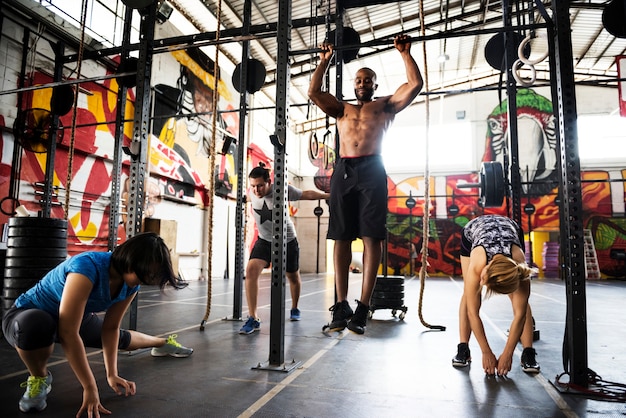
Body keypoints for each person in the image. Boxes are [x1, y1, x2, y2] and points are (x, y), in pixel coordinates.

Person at [2, 232, 193, 416]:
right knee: (36, 325)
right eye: (144, 274)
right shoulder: (86, 267)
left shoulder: (131, 284)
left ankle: (161, 343)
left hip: (75, 318)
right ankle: (40, 377)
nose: (145, 281)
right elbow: (69, 333)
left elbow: (111, 329)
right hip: (27, 316)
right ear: (130, 261)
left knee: (121, 338)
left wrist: (112, 374)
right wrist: (90, 387)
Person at [308, 34, 423, 334]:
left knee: (372, 237)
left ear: (374, 84)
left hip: (373, 167)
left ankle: (363, 306)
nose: (362, 83)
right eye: (359, 80)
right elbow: (313, 91)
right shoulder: (341, 109)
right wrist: (324, 61)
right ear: (354, 85)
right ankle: (341, 304)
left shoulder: (385, 107)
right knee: (341, 236)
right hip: (344, 169)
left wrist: (405, 53)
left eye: (368, 79)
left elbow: (414, 86)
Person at [239, 163, 330, 334]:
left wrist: (328, 195)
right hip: (265, 240)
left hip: (287, 240)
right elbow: (248, 198)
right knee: (251, 271)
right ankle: (253, 317)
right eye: (253, 186)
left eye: (260, 185)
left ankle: (295, 308)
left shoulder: (282, 190)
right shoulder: (253, 192)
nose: (256, 190)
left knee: (293, 277)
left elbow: (306, 194)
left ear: (268, 182)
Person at [452, 214, 540, 375]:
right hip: (474, 230)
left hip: (511, 231)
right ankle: (463, 348)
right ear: (487, 269)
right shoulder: (478, 262)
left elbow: (520, 315)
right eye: (484, 280)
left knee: (521, 302)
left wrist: (508, 353)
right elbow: (473, 313)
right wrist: (486, 352)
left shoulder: (518, 264)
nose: (481, 282)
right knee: (469, 294)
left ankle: (528, 352)